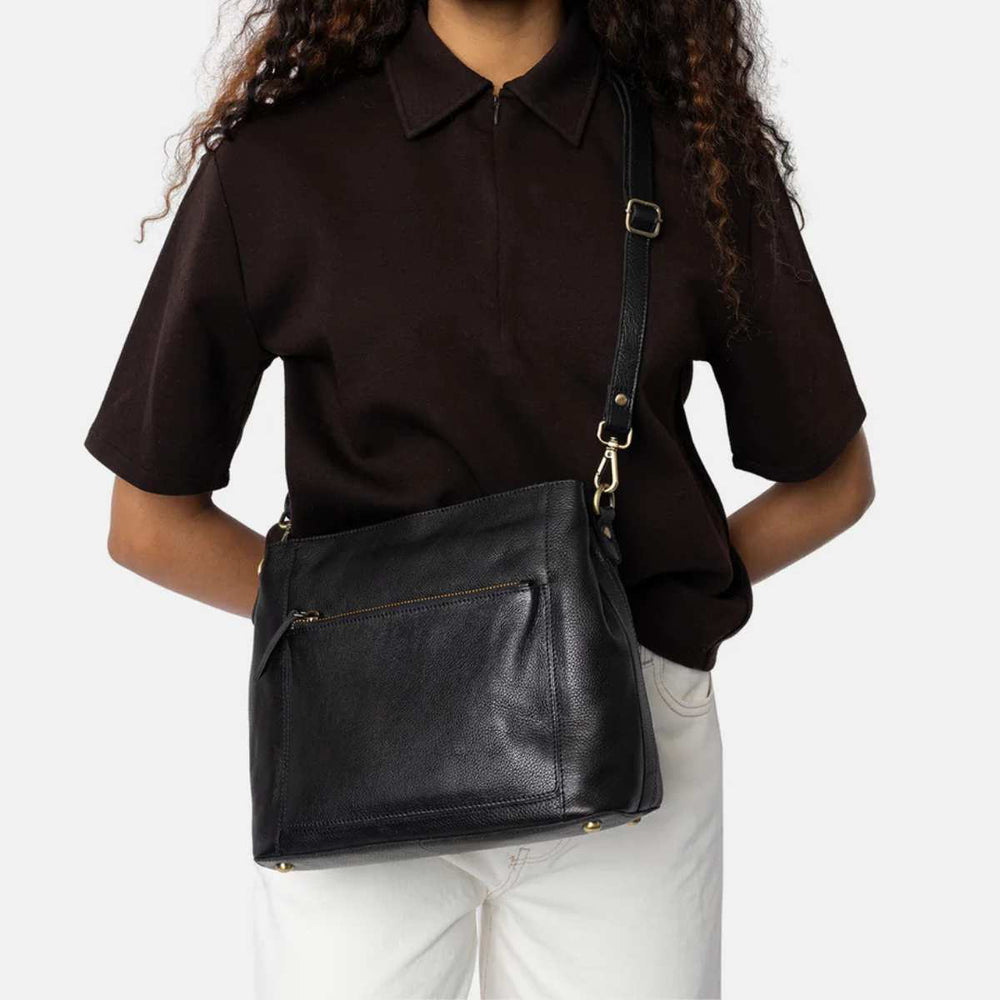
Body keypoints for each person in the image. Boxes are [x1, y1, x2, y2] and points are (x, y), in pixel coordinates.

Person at [84, 1, 874, 996]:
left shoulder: (696, 157)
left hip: (631, 730)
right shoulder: (277, 165)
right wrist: (365, 627)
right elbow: (149, 522)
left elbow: (833, 479)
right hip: (365, 732)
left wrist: (637, 611)